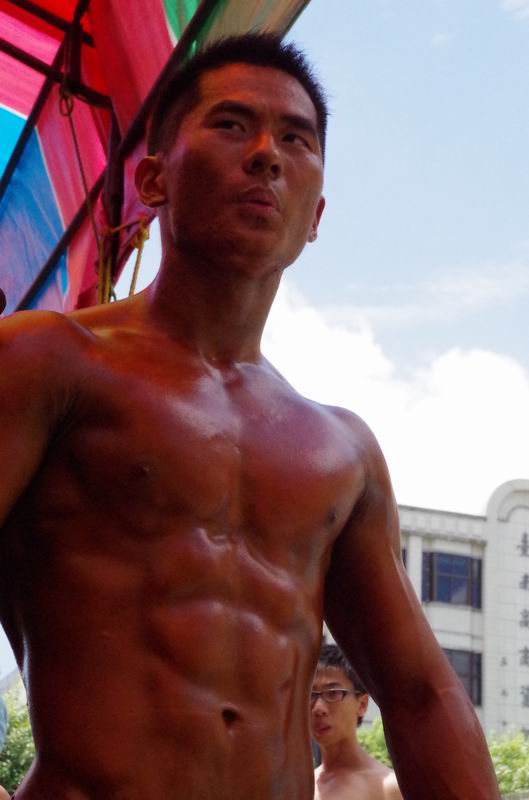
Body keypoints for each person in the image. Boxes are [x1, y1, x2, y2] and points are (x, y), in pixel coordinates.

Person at [0, 33, 499, 799]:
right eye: (232, 125)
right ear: (154, 179)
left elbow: (420, 696)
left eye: (295, 139)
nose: (266, 154)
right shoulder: (46, 363)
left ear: (315, 215)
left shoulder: (341, 449)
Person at [312, 644, 402, 800]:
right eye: (310, 695)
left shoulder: (389, 788)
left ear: (362, 704)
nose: (318, 708)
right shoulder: (301, 786)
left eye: (333, 693)